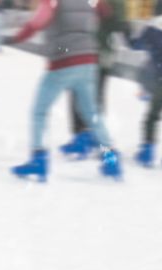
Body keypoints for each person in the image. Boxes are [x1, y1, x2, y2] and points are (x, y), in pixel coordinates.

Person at [5, 0, 123, 181]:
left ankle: (39, 160)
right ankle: (111, 159)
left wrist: (16, 38)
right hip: (89, 58)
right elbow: (104, 11)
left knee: (40, 112)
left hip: (64, 59)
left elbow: (38, 22)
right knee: (92, 114)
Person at [58, 0, 130, 159]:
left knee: (91, 96)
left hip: (97, 53)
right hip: (82, 51)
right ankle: (83, 137)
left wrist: (107, 15)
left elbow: (121, 25)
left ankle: (93, 139)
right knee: (80, 93)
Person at [131, 0, 162, 168]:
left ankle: (147, 152)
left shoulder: (152, 29)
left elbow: (136, 44)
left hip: (161, 80)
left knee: (152, 116)